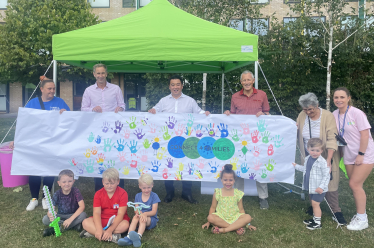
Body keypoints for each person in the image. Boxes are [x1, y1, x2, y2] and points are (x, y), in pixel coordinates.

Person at [9, 78, 70, 211]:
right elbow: (24, 124)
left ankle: (45, 198)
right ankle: (34, 198)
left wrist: (66, 115)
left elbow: (70, 121)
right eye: (49, 88)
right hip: (35, 143)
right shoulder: (32, 103)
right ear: (41, 89)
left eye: (54, 88)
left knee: (50, 171)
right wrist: (17, 139)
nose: (52, 91)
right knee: (34, 170)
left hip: (53, 142)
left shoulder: (60, 102)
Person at [148, 74, 210, 204]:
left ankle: (186, 193)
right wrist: (152, 111)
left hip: (185, 139)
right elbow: (155, 110)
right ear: (169, 86)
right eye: (172, 84)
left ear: (182, 86)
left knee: (187, 164)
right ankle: (169, 192)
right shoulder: (164, 101)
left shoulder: (190, 101)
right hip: (168, 140)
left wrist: (205, 114)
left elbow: (198, 113)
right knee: (168, 163)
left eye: (178, 84)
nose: (175, 87)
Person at [296, 92, 347, 225]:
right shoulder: (302, 115)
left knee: (329, 181)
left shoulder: (327, 116)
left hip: (326, 154)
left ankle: (336, 211)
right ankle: (314, 206)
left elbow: (332, 138)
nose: (308, 112)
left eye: (310, 109)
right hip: (309, 154)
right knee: (311, 179)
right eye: (305, 109)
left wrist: (329, 160)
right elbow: (296, 131)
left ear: (317, 105)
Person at [224, 70, 270, 209]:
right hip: (240, 138)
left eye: (249, 80)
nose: (246, 82)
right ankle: (238, 196)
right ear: (241, 82)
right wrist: (227, 113)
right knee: (238, 166)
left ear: (253, 80)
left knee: (259, 165)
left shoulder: (262, 94)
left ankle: (263, 198)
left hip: (258, 138)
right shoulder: (235, 96)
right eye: (244, 80)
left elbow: (268, 113)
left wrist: (264, 114)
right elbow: (232, 115)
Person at [332, 87, 374, 231]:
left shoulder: (357, 113)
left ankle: (362, 218)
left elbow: (364, 135)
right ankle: (359, 214)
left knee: (354, 184)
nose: (339, 100)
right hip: (348, 155)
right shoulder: (334, 114)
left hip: (364, 154)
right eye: (336, 97)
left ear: (348, 98)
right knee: (356, 184)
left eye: (342, 97)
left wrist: (361, 154)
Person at [81, 63, 126, 191]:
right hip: (97, 131)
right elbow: (83, 109)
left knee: (115, 157)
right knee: (99, 157)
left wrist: (121, 108)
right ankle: (100, 188)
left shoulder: (116, 89)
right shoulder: (88, 90)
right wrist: (92, 109)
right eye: (98, 73)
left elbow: (122, 104)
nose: (100, 76)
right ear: (94, 74)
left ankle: (119, 188)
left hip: (114, 130)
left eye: (103, 73)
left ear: (106, 74)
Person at [201, 164, 255, 234]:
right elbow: (213, 207)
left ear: (234, 180)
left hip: (235, 217)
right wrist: (209, 222)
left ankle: (224, 229)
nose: (228, 182)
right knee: (210, 217)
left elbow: (241, 209)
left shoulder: (238, 193)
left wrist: (248, 224)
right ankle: (236, 227)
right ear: (221, 180)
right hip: (221, 217)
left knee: (248, 217)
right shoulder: (217, 192)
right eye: (225, 180)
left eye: (231, 180)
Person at [80, 168, 130, 243]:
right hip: (102, 219)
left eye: (112, 183)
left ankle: (94, 233)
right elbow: (96, 213)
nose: (109, 186)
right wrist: (99, 228)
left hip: (117, 220)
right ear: (103, 182)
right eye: (107, 183)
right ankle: (111, 237)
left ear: (118, 182)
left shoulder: (123, 193)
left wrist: (110, 230)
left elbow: (120, 214)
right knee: (85, 222)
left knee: (125, 225)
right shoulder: (98, 194)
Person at [293, 138, 330, 230]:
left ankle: (317, 223)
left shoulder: (322, 162)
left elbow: (326, 176)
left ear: (321, 150)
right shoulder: (308, 158)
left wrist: (321, 187)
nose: (314, 152)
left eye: (317, 150)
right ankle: (314, 219)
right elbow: (305, 169)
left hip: (318, 188)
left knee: (315, 204)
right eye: (312, 150)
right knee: (313, 203)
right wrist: (296, 166)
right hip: (311, 186)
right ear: (308, 149)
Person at [118, 174, 160, 247]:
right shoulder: (138, 196)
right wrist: (139, 213)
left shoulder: (154, 196)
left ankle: (138, 237)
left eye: (148, 187)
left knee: (142, 219)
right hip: (140, 215)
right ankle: (128, 237)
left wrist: (145, 214)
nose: (146, 190)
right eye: (144, 188)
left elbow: (154, 211)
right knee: (135, 218)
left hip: (150, 219)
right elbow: (136, 209)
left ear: (152, 185)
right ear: (139, 186)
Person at [42, 169, 86, 237]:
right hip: (60, 216)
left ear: (73, 181)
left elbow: (82, 206)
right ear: (59, 183)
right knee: (45, 219)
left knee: (83, 215)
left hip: (73, 215)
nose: (67, 184)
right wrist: (50, 215)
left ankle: (57, 229)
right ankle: (74, 226)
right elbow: (51, 209)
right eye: (64, 182)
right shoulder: (57, 194)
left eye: (70, 181)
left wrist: (70, 220)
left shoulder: (76, 191)